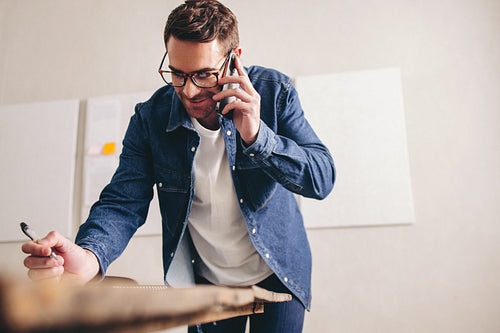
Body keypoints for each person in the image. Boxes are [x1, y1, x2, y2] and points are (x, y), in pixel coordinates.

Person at [21, 1, 335, 332]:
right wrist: (89, 258)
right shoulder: (149, 119)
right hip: (208, 284)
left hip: (278, 273)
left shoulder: (273, 92)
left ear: (234, 58)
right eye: (178, 73)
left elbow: (322, 178)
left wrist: (257, 136)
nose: (189, 89)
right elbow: (123, 203)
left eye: (203, 74)